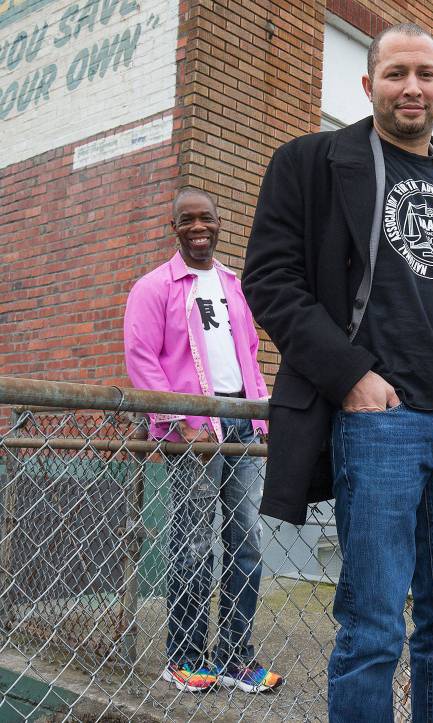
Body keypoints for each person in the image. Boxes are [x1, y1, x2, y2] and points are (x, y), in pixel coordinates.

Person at [241, 23, 433, 723]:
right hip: (382, 423)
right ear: (368, 84)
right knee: (373, 625)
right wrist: (351, 375)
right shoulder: (311, 162)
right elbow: (271, 280)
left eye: (426, 75)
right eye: (397, 73)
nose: (413, 87)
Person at [123, 187, 282, 694]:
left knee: (246, 542)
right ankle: (185, 656)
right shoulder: (153, 288)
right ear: (175, 227)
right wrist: (181, 421)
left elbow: (249, 355)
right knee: (193, 544)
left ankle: (237, 657)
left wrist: (260, 418)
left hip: (241, 425)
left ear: (219, 223)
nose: (198, 227)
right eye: (187, 220)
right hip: (194, 431)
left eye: (206, 218)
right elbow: (142, 361)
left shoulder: (233, 284)